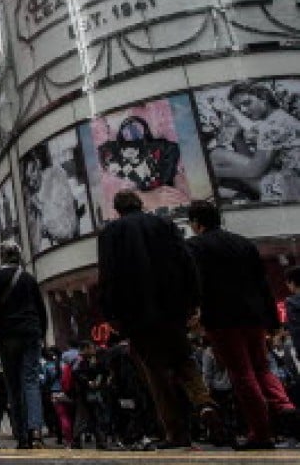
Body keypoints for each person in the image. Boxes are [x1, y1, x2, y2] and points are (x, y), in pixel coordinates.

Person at [98, 190, 221, 449]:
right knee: (184, 360)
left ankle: (176, 432)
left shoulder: (111, 233)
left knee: (156, 373)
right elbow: (187, 262)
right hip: (172, 308)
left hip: (136, 314)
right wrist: (193, 301)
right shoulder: (164, 223)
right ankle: (204, 402)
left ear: (117, 209)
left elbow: (108, 275)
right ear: (140, 204)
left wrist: (111, 314)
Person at [186, 200, 296, 448]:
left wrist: (194, 313)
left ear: (196, 223)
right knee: (261, 367)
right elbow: (262, 282)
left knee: (242, 374)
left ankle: (260, 431)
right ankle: (285, 406)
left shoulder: (194, 247)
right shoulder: (242, 242)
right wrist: (272, 318)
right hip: (254, 316)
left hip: (222, 319)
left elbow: (194, 284)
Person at [0, 239, 47, 449]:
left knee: (13, 385)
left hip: (7, 334)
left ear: (2, 256)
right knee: (31, 381)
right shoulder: (28, 278)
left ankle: (21, 436)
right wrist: (42, 333)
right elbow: (40, 308)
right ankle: (36, 431)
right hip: (31, 332)